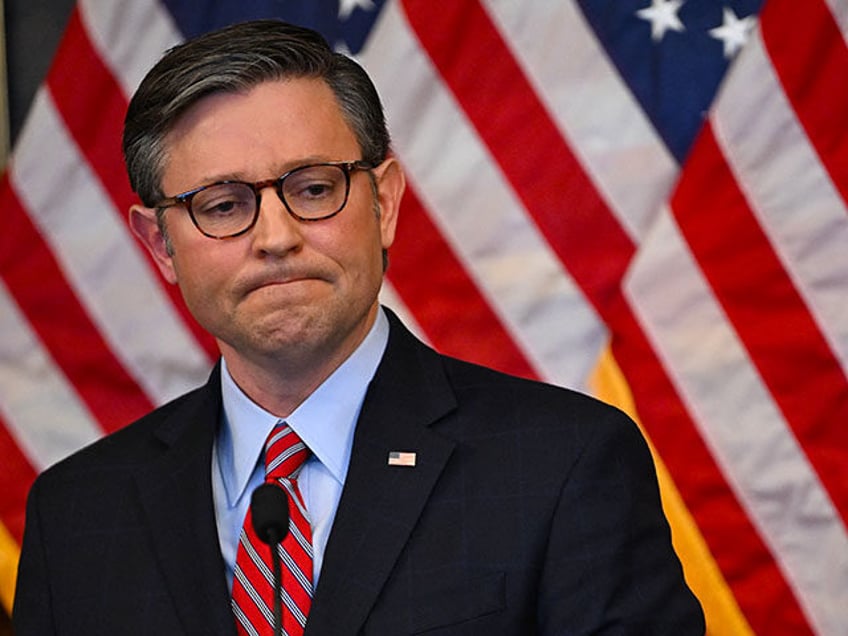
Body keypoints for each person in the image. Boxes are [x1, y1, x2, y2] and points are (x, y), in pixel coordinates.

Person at [13, 19, 704, 636]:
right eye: (223, 205)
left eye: (313, 189)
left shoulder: (562, 465)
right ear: (161, 245)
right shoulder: (77, 516)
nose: (275, 237)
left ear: (384, 204)